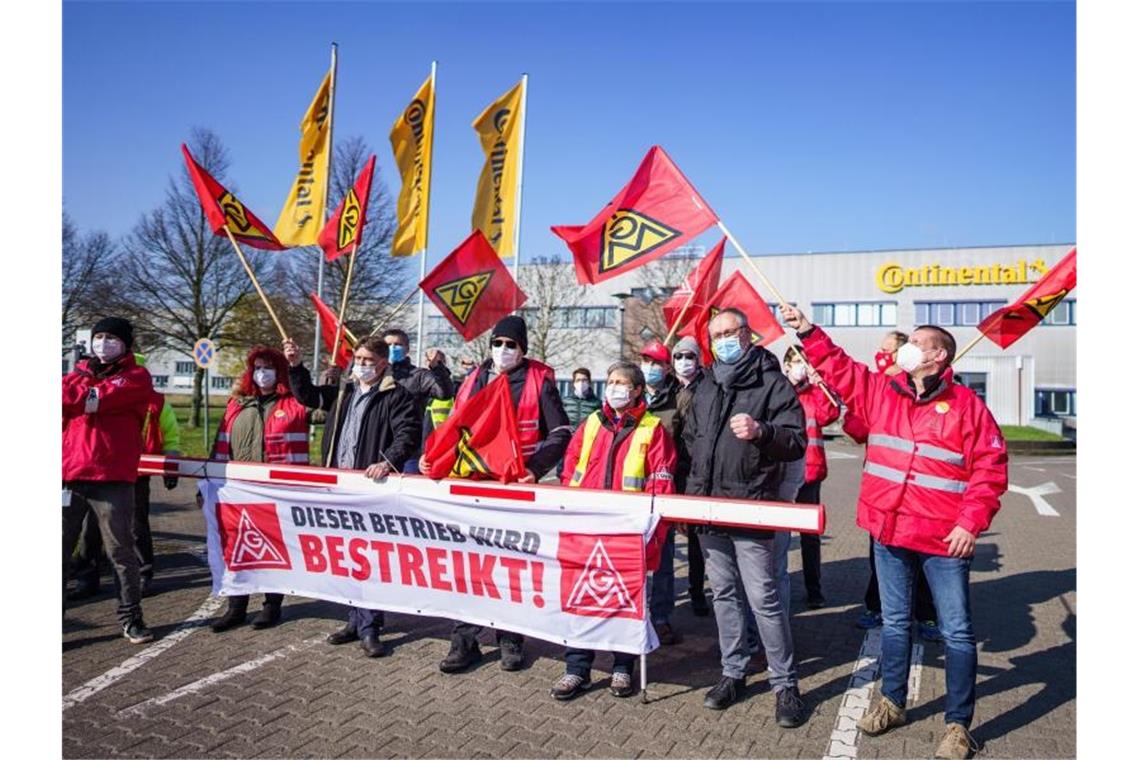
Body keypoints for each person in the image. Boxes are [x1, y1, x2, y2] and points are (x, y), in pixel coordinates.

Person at [780, 304, 1007, 759]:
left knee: (958, 633)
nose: (906, 350)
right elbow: (841, 369)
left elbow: (990, 469)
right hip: (888, 532)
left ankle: (959, 726)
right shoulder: (882, 392)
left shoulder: (968, 407)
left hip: (945, 540)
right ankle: (893, 702)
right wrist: (808, 330)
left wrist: (969, 523)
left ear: (939, 356)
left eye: (917, 343)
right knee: (896, 623)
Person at [421, 315, 573, 674]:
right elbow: (454, 428)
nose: (503, 350)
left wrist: (534, 469)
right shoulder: (475, 378)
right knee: (468, 565)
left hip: (512, 489)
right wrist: (434, 460)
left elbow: (562, 431)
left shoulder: (538, 381)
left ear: (523, 349)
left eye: (511, 345)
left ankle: (510, 638)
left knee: (511, 566)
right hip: (471, 486)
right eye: (498, 343)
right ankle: (464, 640)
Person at [680, 308, 808, 727]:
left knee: (764, 599)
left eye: (729, 332)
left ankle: (785, 684)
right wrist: (691, 502)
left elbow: (795, 441)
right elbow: (693, 442)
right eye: (714, 335)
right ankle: (732, 672)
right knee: (724, 596)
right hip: (708, 511)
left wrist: (762, 431)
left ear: (748, 335)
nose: (721, 341)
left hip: (751, 506)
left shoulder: (772, 383)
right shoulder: (704, 384)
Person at [286, 335, 421, 657]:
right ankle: (352, 619)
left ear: (383, 363)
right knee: (346, 556)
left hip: (370, 488)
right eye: (358, 359)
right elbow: (307, 395)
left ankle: (371, 627)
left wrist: (388, 461)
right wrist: (294, 365)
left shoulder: (396, 395)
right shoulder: (343, 392)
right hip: (339, 484)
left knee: (369, 558)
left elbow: (409, 432)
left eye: (368, 361)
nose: (361, 365)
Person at [549, 361, 677, 701]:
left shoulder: (653, 429)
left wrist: (650, 531)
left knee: (625, 600)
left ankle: (623, 667)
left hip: (627, 532)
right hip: (587, 526)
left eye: (621, 382)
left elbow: (661, 482)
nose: (614, 387)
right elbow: (570, 469)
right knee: (582, 600)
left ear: (636, 390)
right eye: (610, 381)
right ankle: (577, 669)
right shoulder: (592, 423)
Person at [62, 317, 157, 644]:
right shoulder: (77, 374)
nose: (103, 342)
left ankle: (131, 618)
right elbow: (66, 399)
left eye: (111, 338)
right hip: (70, 477)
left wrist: (84, 397)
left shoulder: (137, 377)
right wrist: (84, 395)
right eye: (98, 336)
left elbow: (93, 399)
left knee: (121, 552)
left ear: (126, 344)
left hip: (112, 478)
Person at [208, 346, 312, 633]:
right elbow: (220, 445)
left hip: (278, 492)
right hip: (238, 491)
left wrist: (316, 376)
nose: (261, 373)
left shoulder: (296, 403)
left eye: (268, 367)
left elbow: (326, 407)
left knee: (274, 549)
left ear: (279, 371)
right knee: (237, 550)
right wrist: (208, 484)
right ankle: (236, 607)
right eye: (257, 367)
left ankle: (271, 604)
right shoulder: (236, 404)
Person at [849, 331, 940, 640]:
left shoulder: (927, 390)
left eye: (887, 351)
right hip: (884, 496)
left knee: (924, 562)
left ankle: (927, 615)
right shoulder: (878, 388)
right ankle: (876, 607)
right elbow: (860, 430)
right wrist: (850, 410)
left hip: (921, 498)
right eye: (880, 349)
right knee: (881, 557)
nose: (880, 354)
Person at [70, 352, 181, 599]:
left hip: (136, 472)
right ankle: (87, 577)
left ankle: (143, 574)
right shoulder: (100, 397)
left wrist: (171, 463)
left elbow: (170, 432)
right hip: (97, 470)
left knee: (135, 525)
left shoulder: (156, 401)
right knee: (90, 529)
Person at [784, 346, 840, 609]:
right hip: (781, 475)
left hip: (810, 472)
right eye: (796, 361)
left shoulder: (813, 395)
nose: (801, 367)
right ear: (785, 366)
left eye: (804, 362)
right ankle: (777, 585)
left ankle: (814, 590)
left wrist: (820, 385)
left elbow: (830, 413)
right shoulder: (778, 393)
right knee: (778, 535)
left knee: (809, 537)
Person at [639, 338, 682, 644]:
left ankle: (662, 617)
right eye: (646, 360)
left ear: (667, 368)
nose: (650, 367)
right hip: (630, 489)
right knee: (632, 557)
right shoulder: (632, 396)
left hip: (664, 489)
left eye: (656, 362)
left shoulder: (678, 400)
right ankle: (634, 612)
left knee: (663, 558)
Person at [379, 329, 453, 474]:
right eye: (388, 344)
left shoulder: (418, 376)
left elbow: (444, 392)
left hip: (409, 452)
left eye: (398, 344)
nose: (393, 348)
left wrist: (437, 367)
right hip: (377, 446)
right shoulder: (374, 375)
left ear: (407, 349)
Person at [671, 336, 709, 617]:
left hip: (695, 471)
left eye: (690, 356)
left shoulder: (707, 389)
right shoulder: (668, 391)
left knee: (695, 538)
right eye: (679, 356)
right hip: (670, 471)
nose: (684, 361)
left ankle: (697, 592)